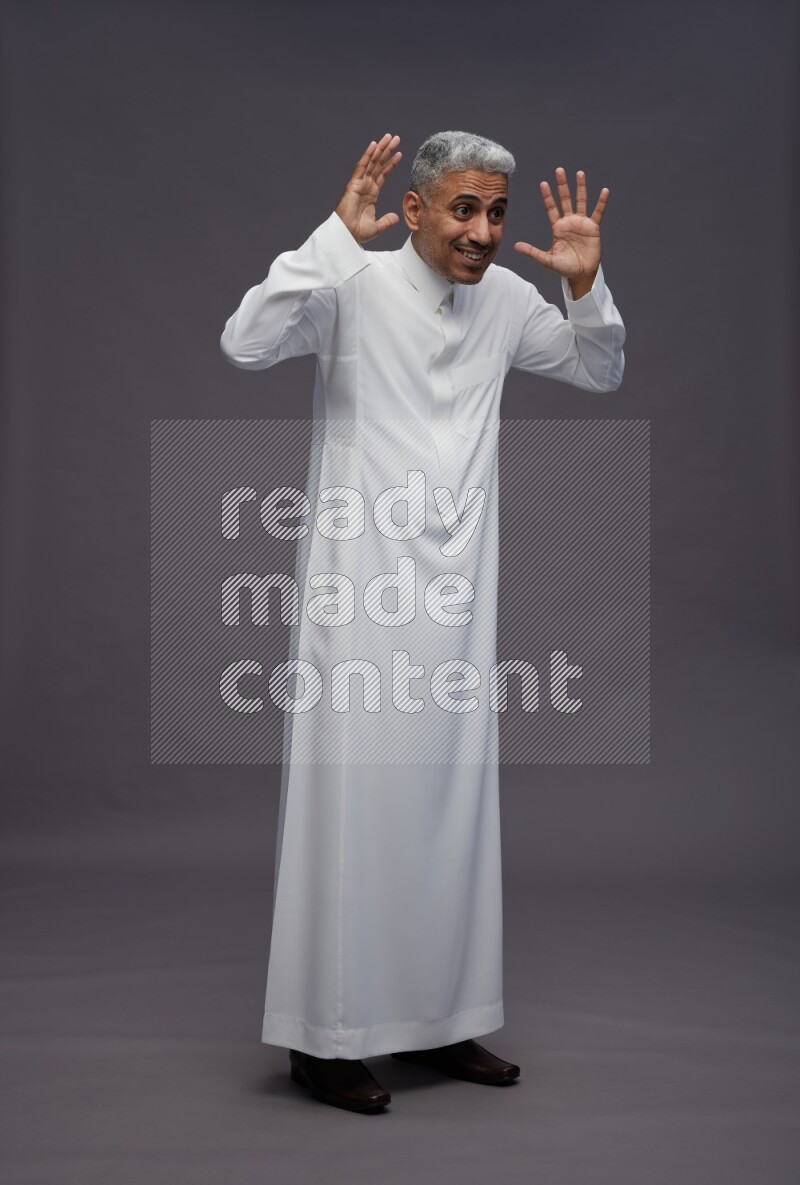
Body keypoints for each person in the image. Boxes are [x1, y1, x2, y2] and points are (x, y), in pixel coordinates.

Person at [220, 130, 626, 1113]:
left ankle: (441, 1022)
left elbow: (596, 370)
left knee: (446, 810)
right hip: (357, 599)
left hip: (453, 605)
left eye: (494, 212)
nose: (481, 231)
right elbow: (244, 342)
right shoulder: (351, 286)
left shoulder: (507, 305)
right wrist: (329, 237)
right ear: (412, 210)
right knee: (354, 810)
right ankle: (326, 1040)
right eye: (461, 209)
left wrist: (583, 288)